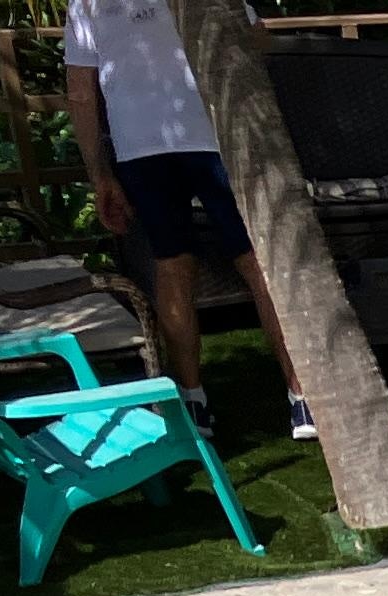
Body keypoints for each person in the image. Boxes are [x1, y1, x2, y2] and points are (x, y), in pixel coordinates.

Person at [60, 0, 314, 437]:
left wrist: (99, 173)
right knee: (258, 263)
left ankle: (193, 401)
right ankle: (302, 398)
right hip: (216, 135)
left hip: (140, 147)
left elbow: (81, 91)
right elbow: (256, 38)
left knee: (172, 263)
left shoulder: (87, 2)